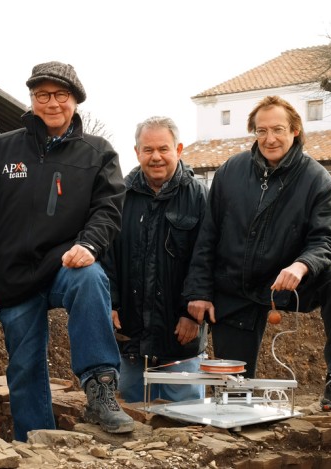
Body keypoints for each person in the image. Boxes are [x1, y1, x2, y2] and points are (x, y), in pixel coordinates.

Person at [0, 61, 135, 442]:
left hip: (65, 263)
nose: (52, 102)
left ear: (76, 100)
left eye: (61, 95)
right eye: (42, 95)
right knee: (24, 367)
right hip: (13, 274)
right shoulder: (1, 149)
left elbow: (108, 208)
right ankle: (36, 444)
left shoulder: (98, 152)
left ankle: (100, 389)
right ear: (32, 100)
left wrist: (89, 244)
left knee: (90, 277)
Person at [183, 95, 331, 415]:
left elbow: (326, 240)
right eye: (261, 131)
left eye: (277, 129)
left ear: (295, 130)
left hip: (288, 284)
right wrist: (198, 291)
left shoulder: (317, 179)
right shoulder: (230, 172)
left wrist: (302, 264)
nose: (269, 138)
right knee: (232, 396)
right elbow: (207, 236)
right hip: (234, 288)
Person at [103, 116, 209, 403]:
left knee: (186, 421)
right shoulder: (119, 195)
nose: (156, 157)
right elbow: (107, 254)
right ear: (136, 152)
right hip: (131, 334)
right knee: (132, 415)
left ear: (179, 149)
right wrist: (110, 303)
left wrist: (191, 314)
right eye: (148, 150)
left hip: (180, 334)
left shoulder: (200, 197)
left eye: (164, 149)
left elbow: (206, 256)